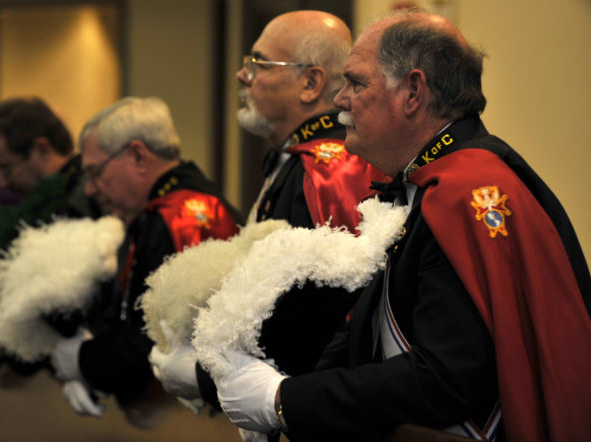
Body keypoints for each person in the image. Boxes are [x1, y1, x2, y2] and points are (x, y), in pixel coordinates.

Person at [211, 9, 591, 441]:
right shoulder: (426, 181)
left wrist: (282, 399)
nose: (340, 99)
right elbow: (368, 338)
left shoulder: (468, 192)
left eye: (356, 83)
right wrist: (288, 394)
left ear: (412, 91)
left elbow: (446, 379)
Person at [149, 9, 385, 415]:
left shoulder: (329, 169)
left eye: (258, 63)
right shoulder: (297, 159)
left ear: (311, 83)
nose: (243, 76)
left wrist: (212, 377)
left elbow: (315, 314)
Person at [49, 96, 243, 416]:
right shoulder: (163, 211)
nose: (90, 190)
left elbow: (160, 342)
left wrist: (82, 360)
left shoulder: (181, 219)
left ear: (138, 156)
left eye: (95, 172)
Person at [0, 97, 103, 379]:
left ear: (41, 149)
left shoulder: (81, 200)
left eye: (6, 167)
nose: (1, 182)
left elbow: (70, 311)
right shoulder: (46, 199)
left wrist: (4, 338)